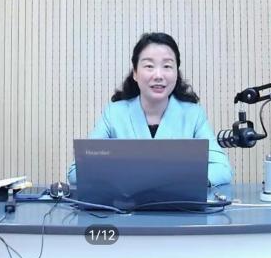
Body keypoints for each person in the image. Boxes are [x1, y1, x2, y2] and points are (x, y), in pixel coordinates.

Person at [67, 32, 233, 186]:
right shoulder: (114, 113)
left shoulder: (193, 115)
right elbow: (77, 172)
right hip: (126, 206)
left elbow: (222, 169)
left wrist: (178, 182)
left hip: (177, 205)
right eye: (149, 66)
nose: (158, 75)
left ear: (176, 73)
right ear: (135, 73)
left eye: (167, 66)